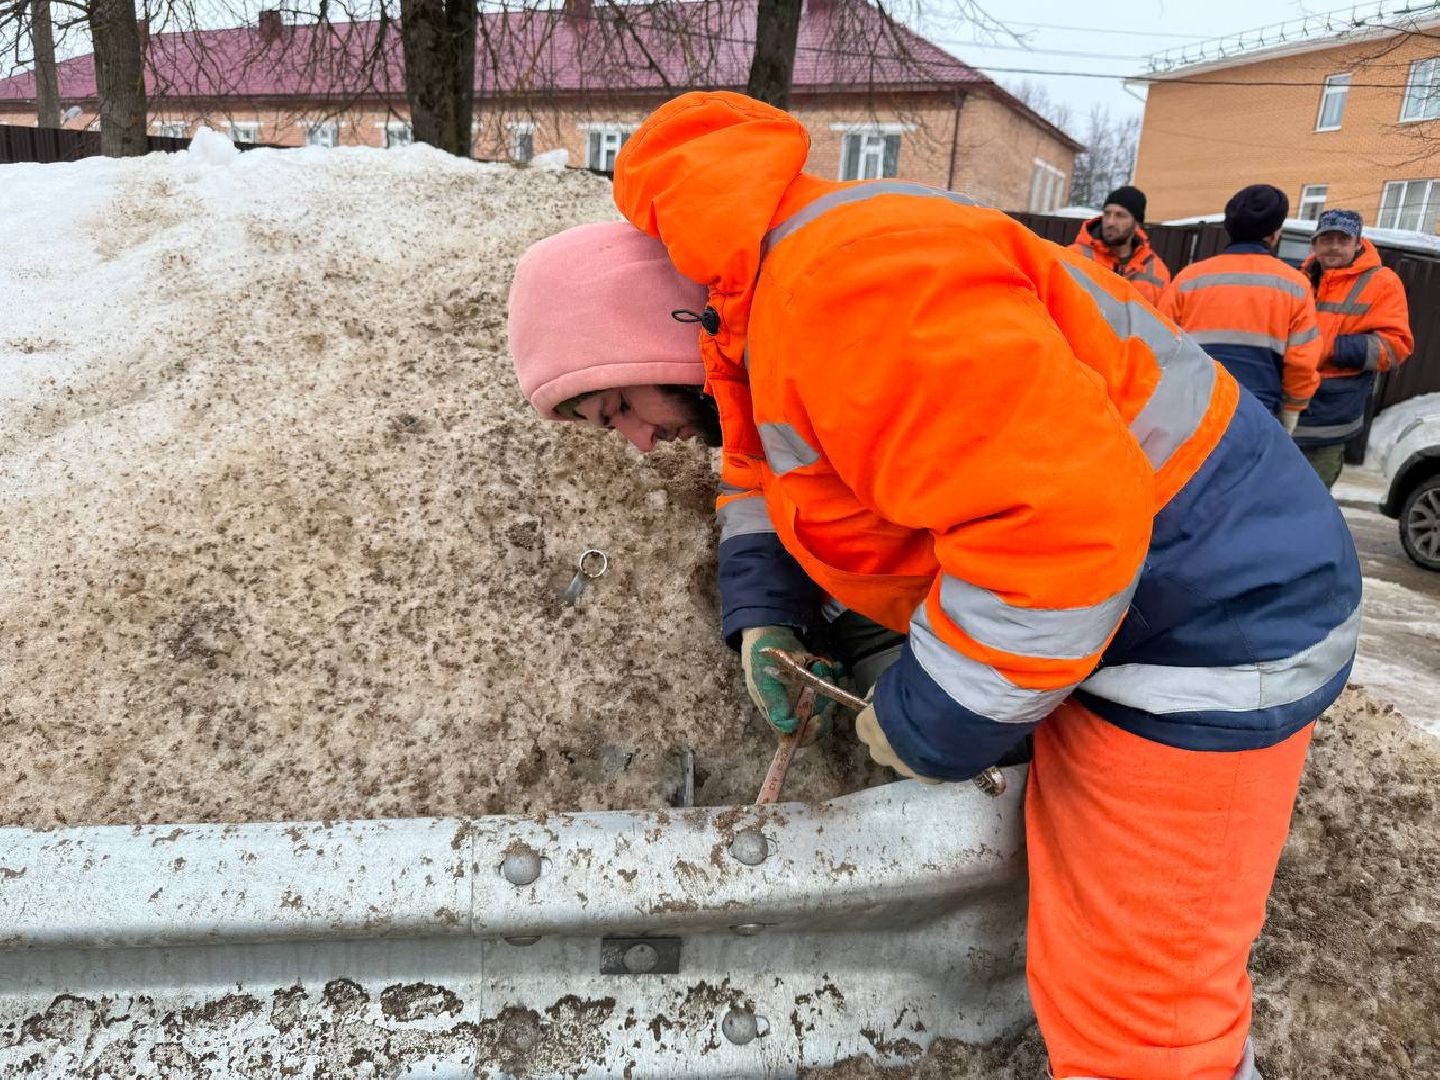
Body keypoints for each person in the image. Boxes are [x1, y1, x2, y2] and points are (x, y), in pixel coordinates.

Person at [508, 91, 1361, 1080]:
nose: (639, 440)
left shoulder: (846, 302)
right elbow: (763, 465)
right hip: (1149, 596)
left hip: (1214, 625)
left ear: (656, 330)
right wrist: (767, 616)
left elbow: (1058, 534)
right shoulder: (756, 320)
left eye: (619, 403)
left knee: (1140, 1018)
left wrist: (929, 715)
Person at [1158, 185, 1322, 431]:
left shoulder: (1189, 278)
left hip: (1193, 411)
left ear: (1229, 228)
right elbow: (1301, 362)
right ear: (1275, 234)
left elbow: (1160, 345)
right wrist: (1292, 411)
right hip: (1257, 413)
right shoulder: (1294, 285)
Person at [1293, 209, 1414, 487]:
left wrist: (1327, 348)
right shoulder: (1301, 279)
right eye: (1326, 239)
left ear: (1359, 243)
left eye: (1343, 239)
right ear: (1314, 244)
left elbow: (1395, 347)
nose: (1334, 246)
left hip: (1329, 417)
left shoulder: (1382, 282)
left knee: (1310, 504)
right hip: (1286, 410)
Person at [1069, 185, 1171, 304]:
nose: (1110, 222)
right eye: (1107, 214)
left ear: (1136, 223)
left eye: (1120, 215)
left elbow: (1162, 319)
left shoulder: (1157, 272)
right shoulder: (1073, 256)